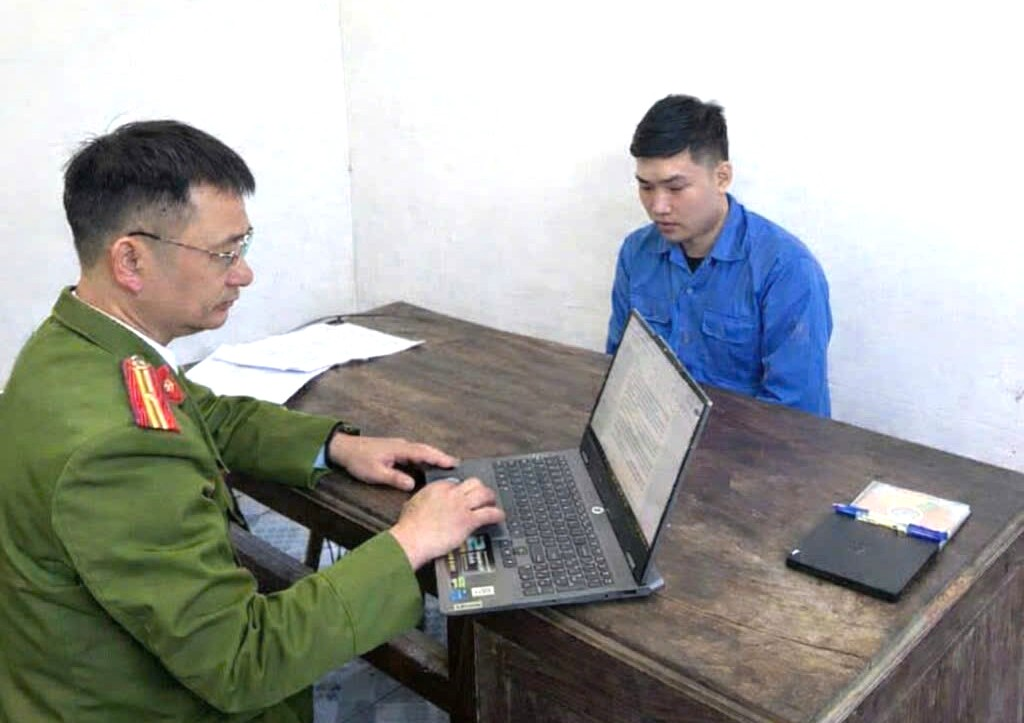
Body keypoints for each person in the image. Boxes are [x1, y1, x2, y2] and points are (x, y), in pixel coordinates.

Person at [0, 120, 504, 722]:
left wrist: (334, 446)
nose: (243, 274)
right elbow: (244, 661)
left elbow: (200, 411)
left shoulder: (75, 344)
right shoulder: (115, 449)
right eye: (224, 253)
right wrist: (410, 541)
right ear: (131, 259)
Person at [607, 95, 833, 416]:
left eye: (675, 188)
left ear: (722, 177)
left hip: (750, 444)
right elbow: (620, 369)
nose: (658, 206)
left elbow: (796, 415)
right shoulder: (636, 253)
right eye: (646, 187)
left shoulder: (786, 270)